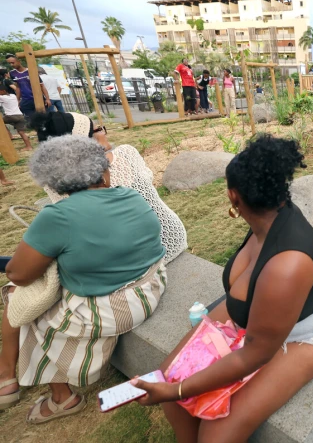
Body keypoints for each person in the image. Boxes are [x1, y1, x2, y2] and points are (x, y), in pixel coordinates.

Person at [131, 135, 313, 443]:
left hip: (310, 329)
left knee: (216, 433)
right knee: (168, 375)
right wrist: (173, 387)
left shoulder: (287, 266)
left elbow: (255, 355)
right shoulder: (271, 212)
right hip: (269, 309)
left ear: (234, 197)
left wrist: (178, 390)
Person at [0, 135, 167, 422]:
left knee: (20, 298)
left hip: (113, 307)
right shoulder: (132, 196)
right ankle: (6, 375)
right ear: (102, 171)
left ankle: (59, 397)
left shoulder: (57, 216)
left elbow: (18, 273)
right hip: (152, 285)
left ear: (53, 182)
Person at [30, 111, 188, 263]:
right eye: (97, 129)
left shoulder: (53, 183)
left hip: (119, 260)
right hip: (166, 239)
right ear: (84, 141)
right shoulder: (124, 155)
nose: (103, 132)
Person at [6, 54, 51, 118]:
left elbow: (41, 85)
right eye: (9, 63)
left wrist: (47, 99)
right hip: (25, 100)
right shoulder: (12, 73)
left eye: (13, 63)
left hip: (38, 99)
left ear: (19, 61)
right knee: (30, 120)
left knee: (43, 118)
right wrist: (18, 100)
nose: (11, 65)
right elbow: (18, 87)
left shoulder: (31, 71)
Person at [0, 79, 33, 151]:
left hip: (11, 116)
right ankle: (29, 146)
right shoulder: (13, 95)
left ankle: (8, 136)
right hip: (20, 116)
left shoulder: (2, 97)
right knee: (21, 132)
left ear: (3, 91)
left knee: (1, 123)